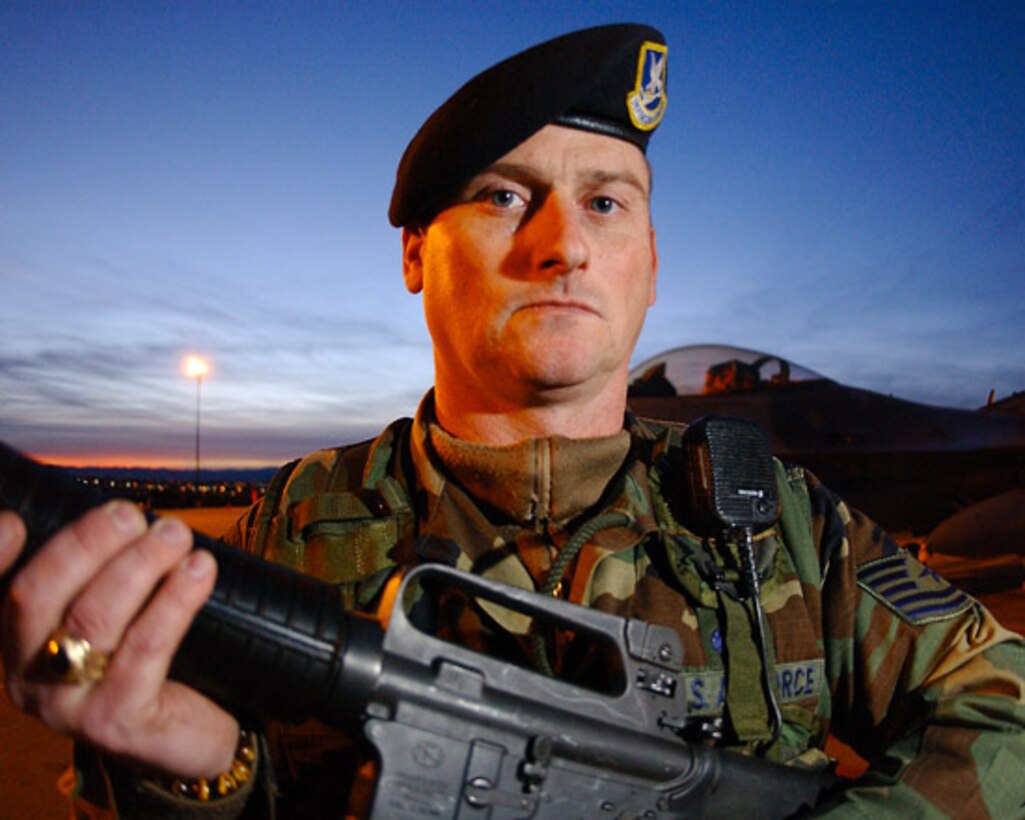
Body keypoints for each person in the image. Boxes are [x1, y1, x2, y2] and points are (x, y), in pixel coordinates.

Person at [2, 23, 1024, 819]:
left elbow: (1004, 704)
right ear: (412, 255)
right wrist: (186, 777)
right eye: (503, 195)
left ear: (652, 264)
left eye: (606, 203)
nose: (562, 247)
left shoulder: (786, 526)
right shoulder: (297, 524)